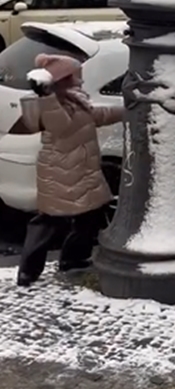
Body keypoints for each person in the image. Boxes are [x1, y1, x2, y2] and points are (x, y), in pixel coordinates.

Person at [16, 54, 124, 287]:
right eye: (75, 75)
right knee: (48, 221)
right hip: (60, 172)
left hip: (82, 170)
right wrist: (47, 98)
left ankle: (73, 260)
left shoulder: (74, 100)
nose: (80, 80)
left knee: (90, 216)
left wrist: (126, 111)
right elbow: (61, 127)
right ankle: (28, 271)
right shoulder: (49, 103)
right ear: (62, 79)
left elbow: (96, 116)